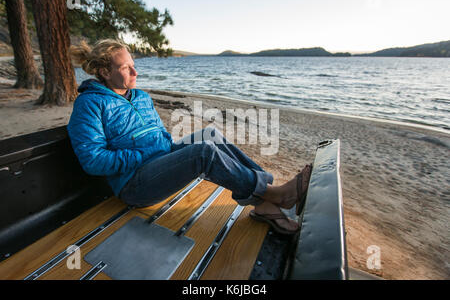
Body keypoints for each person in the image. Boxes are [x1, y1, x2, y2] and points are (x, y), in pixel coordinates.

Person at [67, 39, 312, 235]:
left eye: (133, 64)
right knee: (203, 153)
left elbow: (158, 133)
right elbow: (93, 160)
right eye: (125, 67)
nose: (135, 71)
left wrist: (166, 148)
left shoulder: (140, 96)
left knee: (210, 134)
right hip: (135, 184)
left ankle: (264, 199)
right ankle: (275, 195)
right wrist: (142, 154)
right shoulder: (90, 103)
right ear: (103, 72)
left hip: (160, 161)